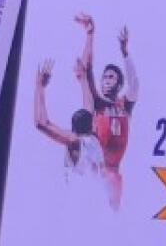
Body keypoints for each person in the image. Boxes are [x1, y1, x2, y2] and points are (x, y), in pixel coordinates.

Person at [72, 14, 138, 207]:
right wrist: (90, 34)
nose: (106, 80)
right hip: (95, 171)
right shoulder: (98, 104)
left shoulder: (124, 105)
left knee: (113, 219)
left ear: (119, 83)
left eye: (111, 77)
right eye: (104, 77)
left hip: (114, 173)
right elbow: (86, 69)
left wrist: (125, 53)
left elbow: (134, 84)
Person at [33, 59, 113, 206]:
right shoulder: (92, 139)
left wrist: (39, 87)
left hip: (78, 203)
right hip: (97, 201)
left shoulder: (74, 141)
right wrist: (82, 79)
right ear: (91, 124)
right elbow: (89, 106)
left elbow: (41, 123)